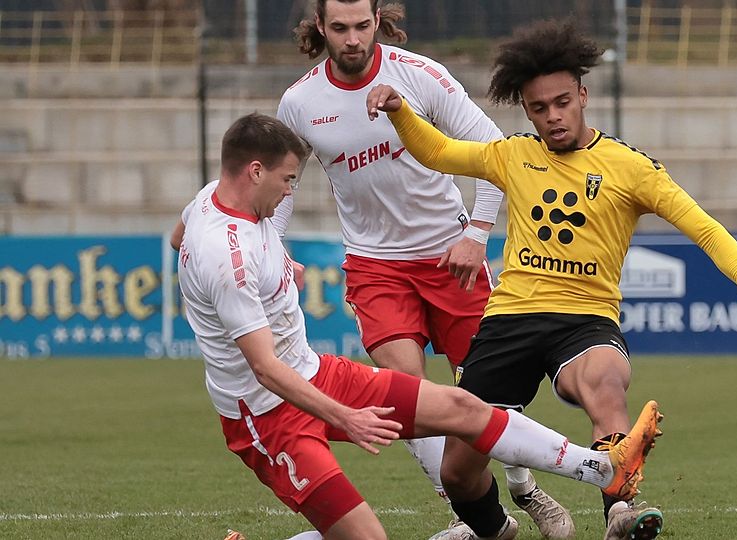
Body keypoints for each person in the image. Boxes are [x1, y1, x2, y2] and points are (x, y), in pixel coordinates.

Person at [366, 19, 737, 540]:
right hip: (510, 319)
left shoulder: (630, 167)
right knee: (457, 471)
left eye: (562, 102)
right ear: (527, 110)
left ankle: (620, 509)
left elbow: (705, 230)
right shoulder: (512, 155)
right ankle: (495, 529)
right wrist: (401, 111)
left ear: (583, 96)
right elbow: (438, 152)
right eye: (539, 108)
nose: (553, 116)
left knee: (605, 384)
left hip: (585, 318)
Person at [177, 112, 662, 540]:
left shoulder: (208, 202)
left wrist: (277, 267)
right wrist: (345, 417)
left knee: (462, 407)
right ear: (254, 171)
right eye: (286, 179)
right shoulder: (227, 259)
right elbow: (264, 368)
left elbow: (181, 236)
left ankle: (604, 468)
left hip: (313, 373)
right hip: (267, 416)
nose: (289, 191)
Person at [274, 2, 574, 537]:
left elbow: (496, 152)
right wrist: (274, 248)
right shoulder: (300, 102)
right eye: (339, 28)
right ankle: (477, 518)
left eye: (361, 26)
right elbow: (281, 182)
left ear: (377, 20)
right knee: (407, 394)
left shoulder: (421, 76)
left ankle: (524, 485)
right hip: (375, 266)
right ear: (320, 27)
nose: (352, 39)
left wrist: (476, 234)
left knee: (485, 392)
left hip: (449, 257)